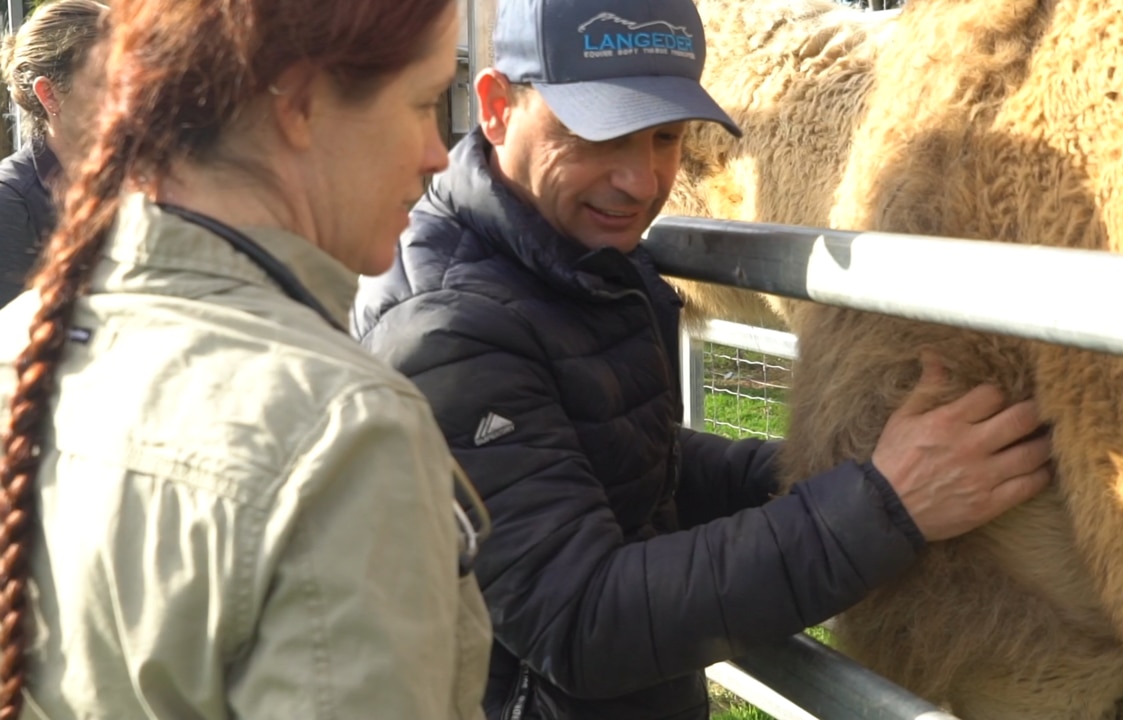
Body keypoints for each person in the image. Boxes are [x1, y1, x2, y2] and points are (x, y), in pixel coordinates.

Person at [351, 0, 1053, 716]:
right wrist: (883, 507)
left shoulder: (563, 262)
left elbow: (623, 464)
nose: (641, 180)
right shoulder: (448, 329)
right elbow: (582, 621)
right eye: (597, 134)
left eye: (665, 137)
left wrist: (836, 465)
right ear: (498, 107)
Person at [0, 0, 491, 718]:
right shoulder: (344, 437)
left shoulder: (19, 340)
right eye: (424, 104)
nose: (438, 153)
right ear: (299, 105)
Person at [0, 0, 107, 307]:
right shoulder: (11, 204)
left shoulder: (145, 180)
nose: (134, 99)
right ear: (48, 94)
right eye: (108, 82)